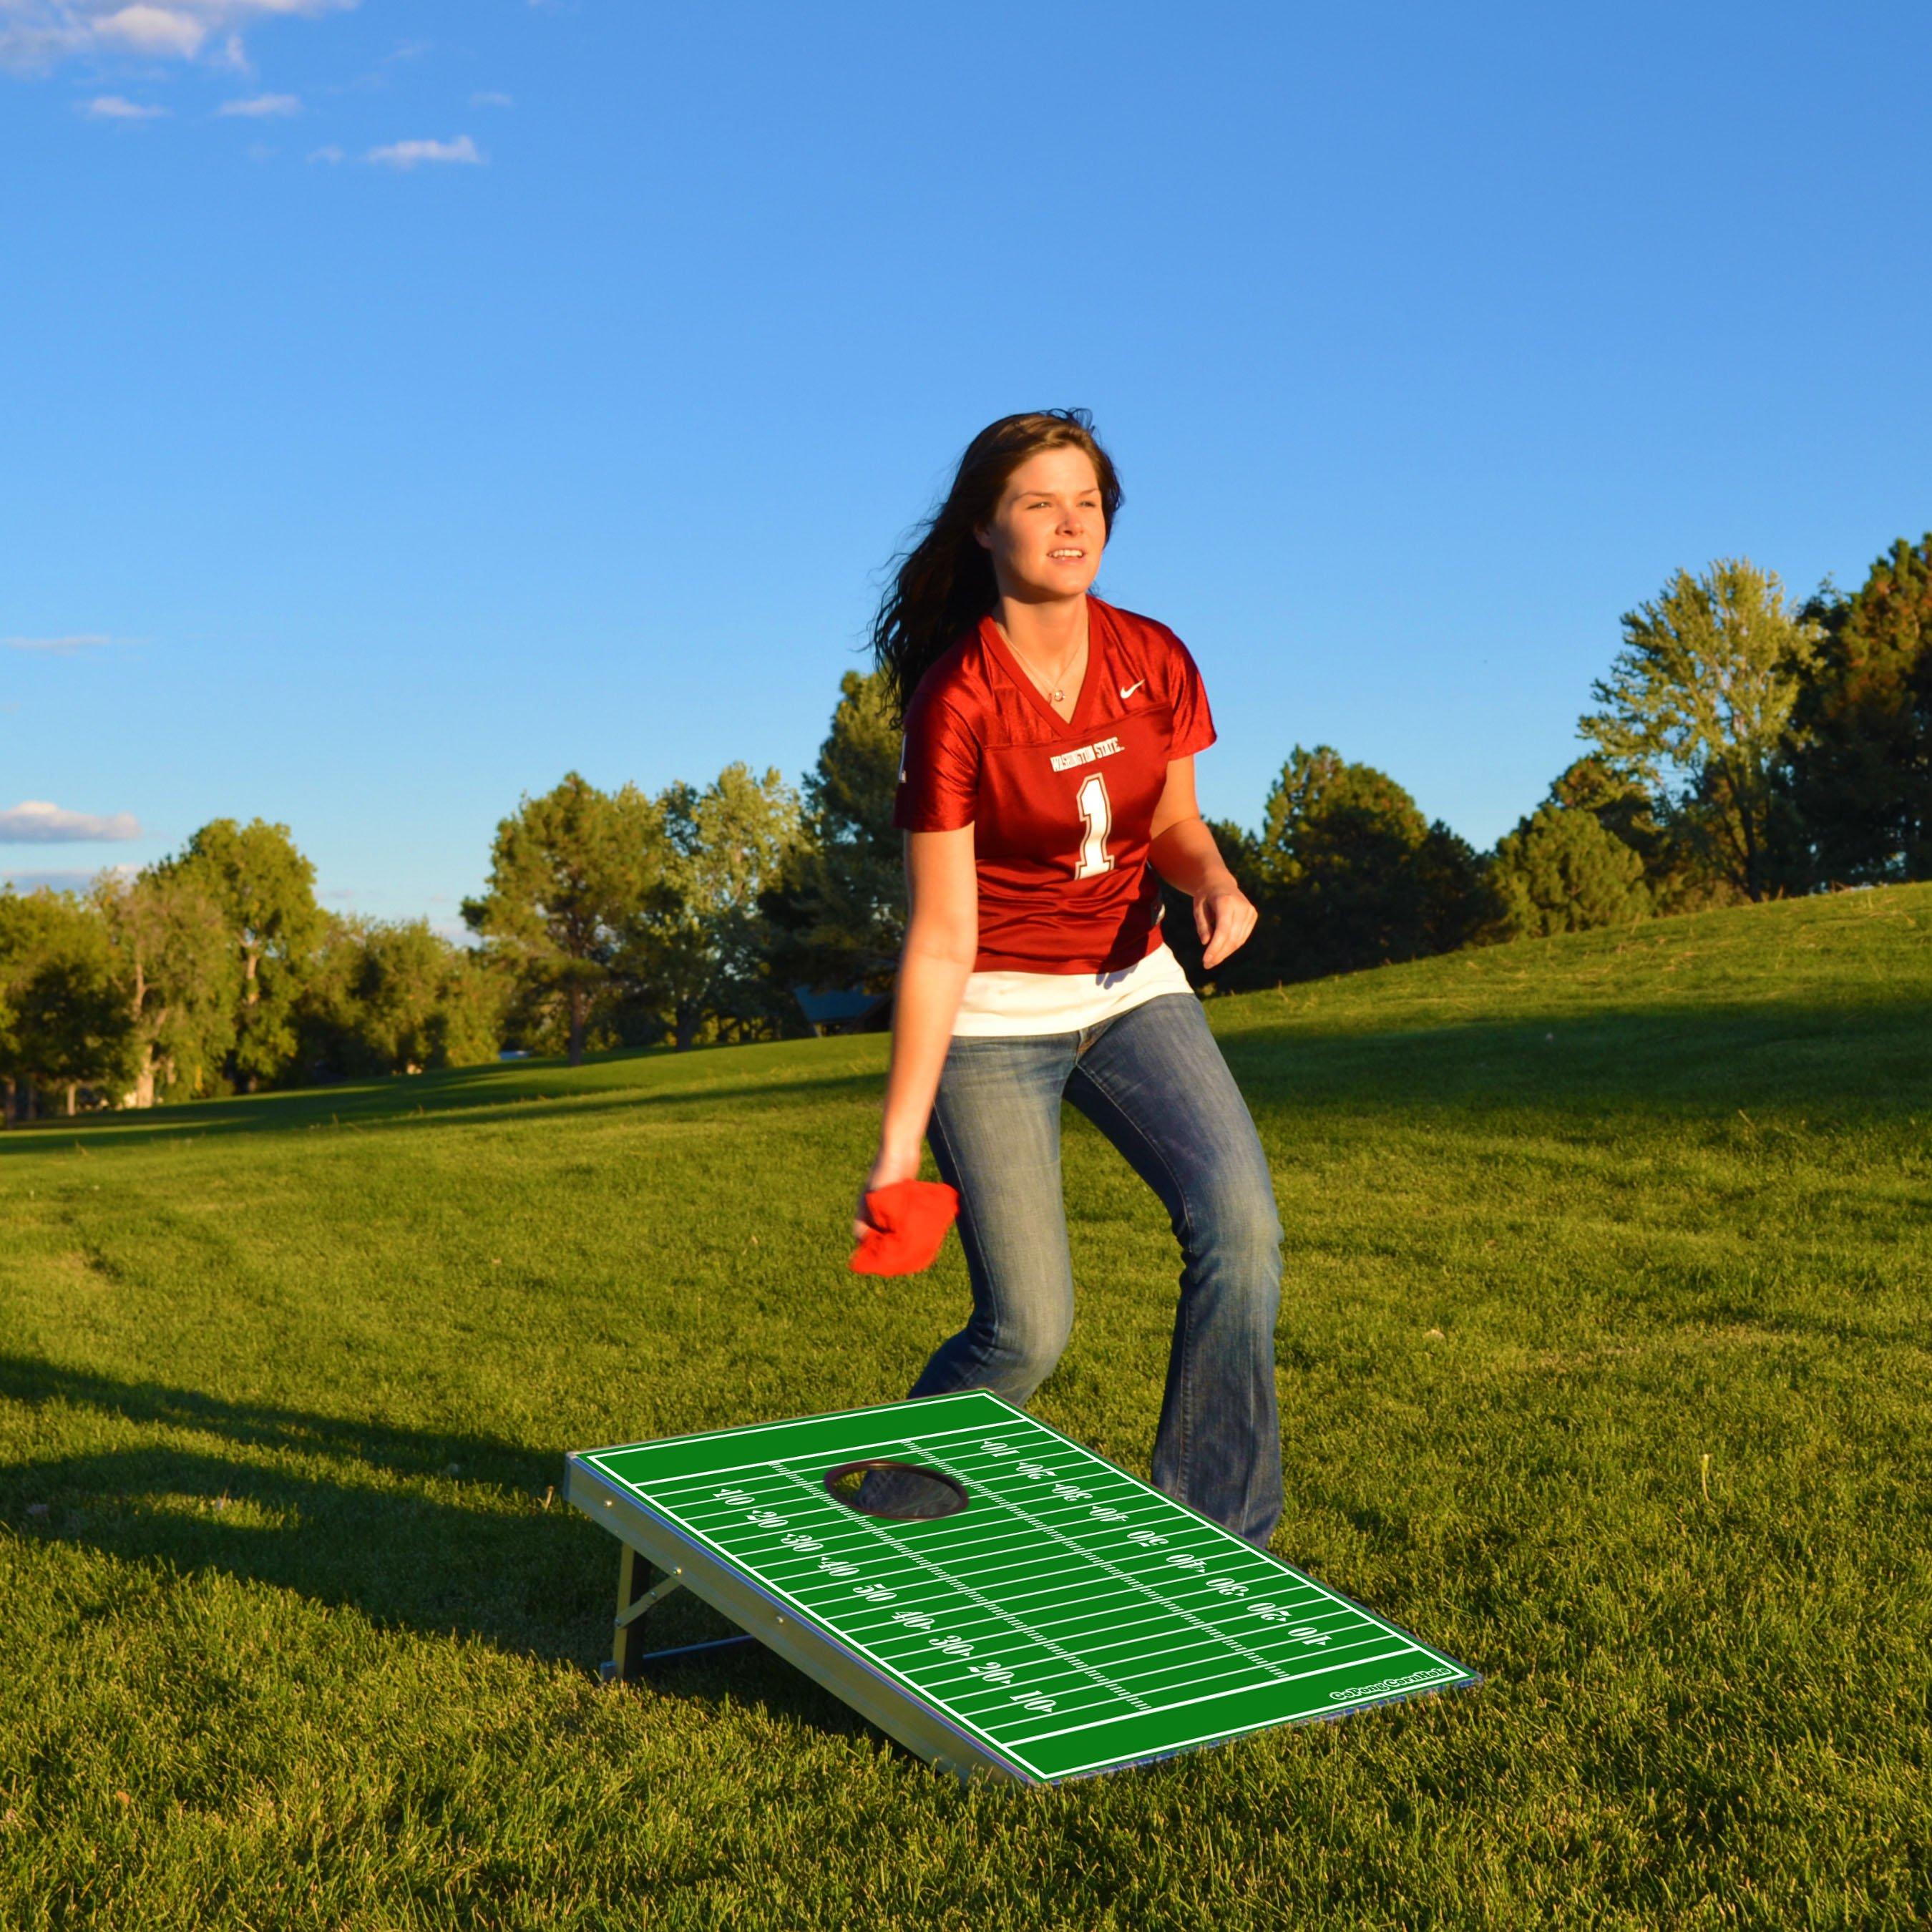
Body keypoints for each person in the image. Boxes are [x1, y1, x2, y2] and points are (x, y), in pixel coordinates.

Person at [857, 409, 1284, 1546]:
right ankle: (872, 1531)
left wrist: (1217, 884)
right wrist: (898, 1154)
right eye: (1039, 502)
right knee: (1028, 1332)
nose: (1069, 523)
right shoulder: (956, 702)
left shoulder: (1155, 658)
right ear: (987, 529)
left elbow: (1173, 824)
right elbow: (941, 937)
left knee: (1240, 1229)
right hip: (993, 1019)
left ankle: (1218, 1538)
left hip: (1132, 989)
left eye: (1086, 502)